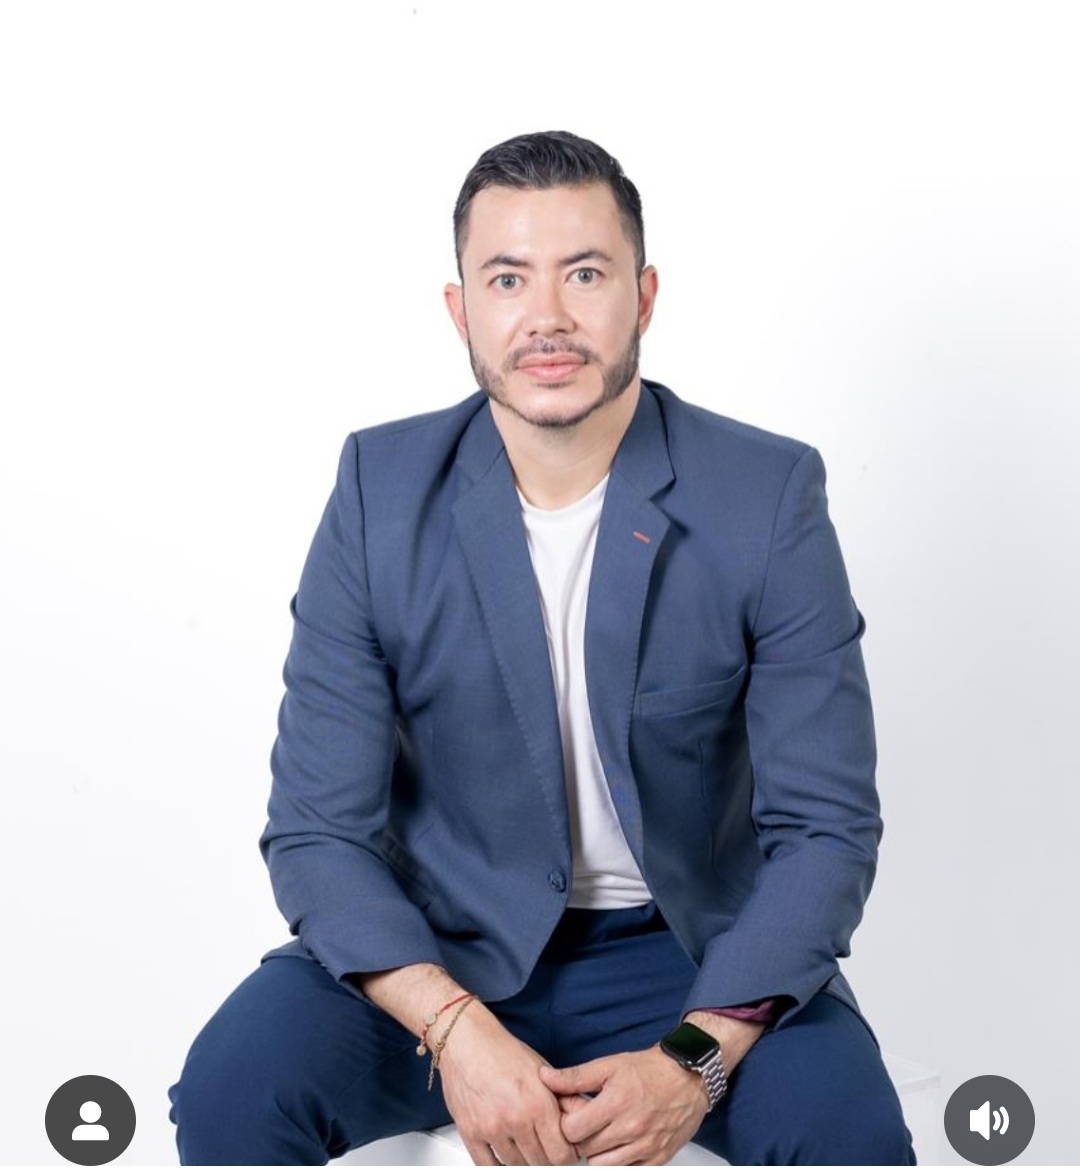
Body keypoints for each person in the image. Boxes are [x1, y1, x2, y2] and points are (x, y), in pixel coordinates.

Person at [168, 130, 915, 1166]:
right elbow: (317, 830)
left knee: (848, 1131)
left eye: (586, 274)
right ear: (461, 309)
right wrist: (455, 1030)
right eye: (508, 278)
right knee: (235, 1085)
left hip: (689, 957)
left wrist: (694, 1059)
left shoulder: (765, 496)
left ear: (644, 297)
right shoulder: (379, 491)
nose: (548, 316)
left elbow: (825, 828)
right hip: (444, 949)